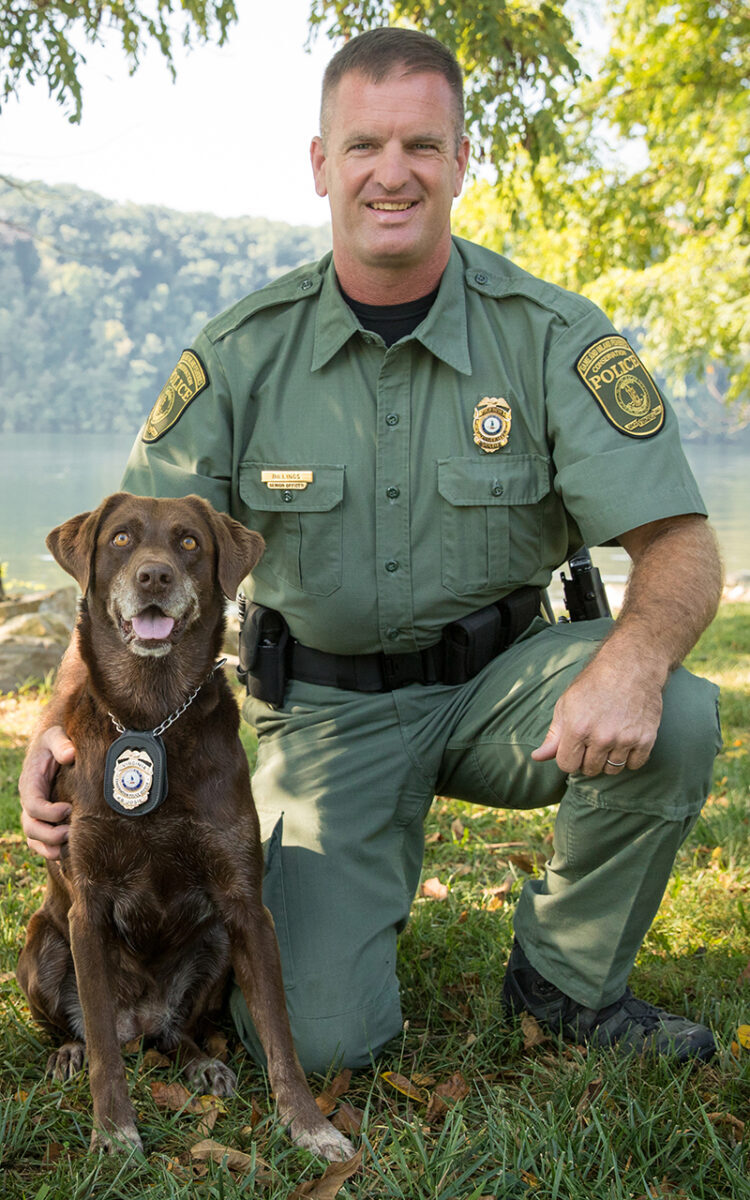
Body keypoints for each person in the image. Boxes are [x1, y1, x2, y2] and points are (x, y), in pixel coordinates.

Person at [20, 28, 723, 1073]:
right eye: (363, 146)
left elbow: (682, 544)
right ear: (321, 163)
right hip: (328, 714)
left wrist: (627, 661)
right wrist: (62, 723)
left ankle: (567, 983)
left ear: (460, 160)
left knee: (679, 710)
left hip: (505, 690)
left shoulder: (550, 335)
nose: (392, 173)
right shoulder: (241, 354)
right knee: (316, 1036)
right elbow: (128, 579)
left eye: (421, 146)